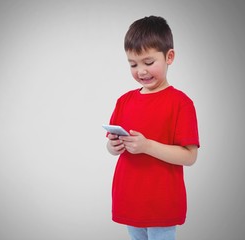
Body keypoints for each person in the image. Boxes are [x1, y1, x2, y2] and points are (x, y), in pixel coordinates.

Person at [105, 16, 200, 240]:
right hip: (129, 198)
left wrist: (147, 146)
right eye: (133, 64)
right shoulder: (124, 101)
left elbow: (190, 156)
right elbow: (110, 148)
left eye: (148, 63)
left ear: (170, 57)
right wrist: (113, 146)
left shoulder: (180, 103)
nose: (141, 71)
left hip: (162, 202)